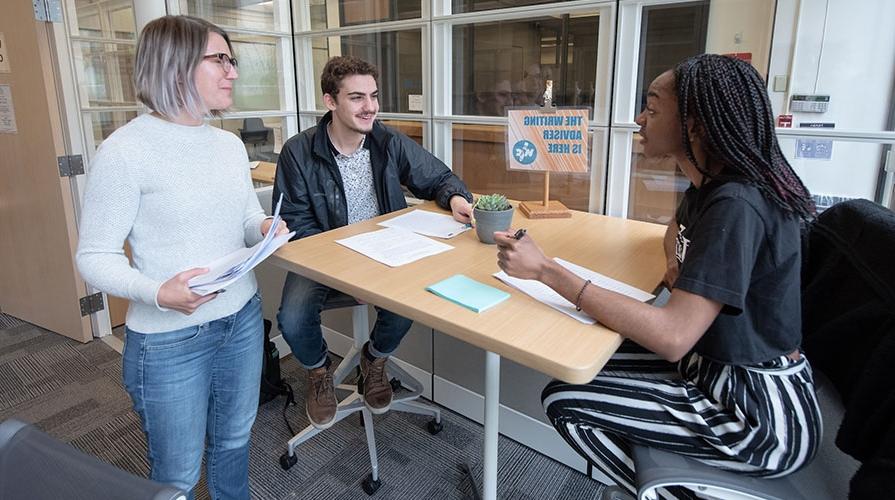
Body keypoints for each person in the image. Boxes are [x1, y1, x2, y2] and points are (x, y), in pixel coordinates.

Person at [494, 54, 821, 499]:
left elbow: (672, 336)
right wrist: (677, 267)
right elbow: (675, 232)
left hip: (754, 411)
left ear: (695, 124)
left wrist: (548, 271)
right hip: (711, 366)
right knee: (590, 358)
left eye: (652, 106)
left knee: (565, 401)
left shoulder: (737, 204)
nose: (639, 118)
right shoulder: (711, 185)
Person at [76, 15, 287, 499]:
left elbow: (240, 219)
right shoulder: (124, 152)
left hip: (241, 318)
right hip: (169, 341)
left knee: (234, 443)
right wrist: (157, 292)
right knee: (178, 475)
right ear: (175, 66)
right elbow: (93, 256)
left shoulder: (228, 145)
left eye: (231, 60)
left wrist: (263, 229)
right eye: (221, 60)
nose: (233, 71)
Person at [274, 55, 473, 430]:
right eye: (357, 98)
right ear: (330, 101)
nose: (370, 107)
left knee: (411, 299)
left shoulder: (386, 140)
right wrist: (350, 267)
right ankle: (319, 372)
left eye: (374, 96)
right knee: (293, 317)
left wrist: (457, 199)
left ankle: (375, 359)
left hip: (384, 253)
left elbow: (437, 177)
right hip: (323, 257)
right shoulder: (298, 152)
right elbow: (297, 225)